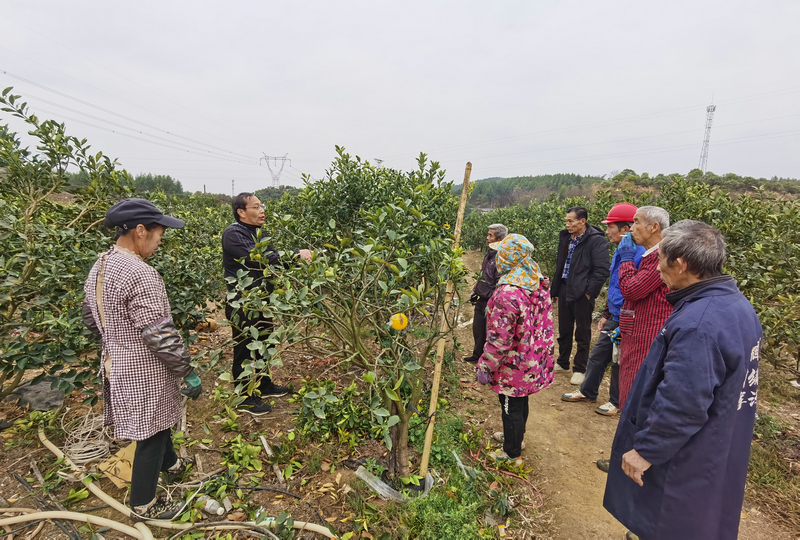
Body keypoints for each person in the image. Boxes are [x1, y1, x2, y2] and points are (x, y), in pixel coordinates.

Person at [604, 220, 762, 540]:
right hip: (718, 440)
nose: (657, 267)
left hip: (688, 454)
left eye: (661, 259)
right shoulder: (734, 305)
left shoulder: (698, 324)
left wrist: (646, 450)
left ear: (681, 264)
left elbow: (684, 401)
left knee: (670, 517)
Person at [82, 198, 202, 521]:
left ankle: (172, 465)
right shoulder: (140, 273)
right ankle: (144, 504)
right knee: (151, 434)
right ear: (140, 231)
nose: (160, 241)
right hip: (144, 368)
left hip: (117, 363)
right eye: (159, 233)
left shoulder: (101, 266)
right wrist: (187, 371)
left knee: (158, 422)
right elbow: (158, 334)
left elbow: (91, 318)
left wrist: (118, 339)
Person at [222, 193, 312, 416]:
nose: (262, 210)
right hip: (243, 303)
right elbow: (258, 259)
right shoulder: (233, 234)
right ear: (241, 212)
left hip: (261, 302)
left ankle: (264, 384)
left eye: (261, 206)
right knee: (244, 351)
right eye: (255, 207)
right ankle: (244, 399)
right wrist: (296, 255)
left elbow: (274, 260)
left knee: (264, 345)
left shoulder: (259, 233)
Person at [476, 234, 555, 465]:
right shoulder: (535, 281)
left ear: (508, 258)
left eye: (500, 254)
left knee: (510, 406)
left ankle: (512, 454)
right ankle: (516, 439)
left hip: (514, 363)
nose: (497, 258)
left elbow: (500, 339)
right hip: (532, 357)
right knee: (521, 401)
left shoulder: (508, 293)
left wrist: (486, 365)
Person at [561, 203, 645, 415]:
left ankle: (617, 401)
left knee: (619, 359)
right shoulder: (621, 250)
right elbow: (616, 284)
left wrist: (590, 294)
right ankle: (588, 390)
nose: (607, 231)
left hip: (628, 316)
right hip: (615, 313)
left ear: (625, 229)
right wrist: (607, 313)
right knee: (599, 354)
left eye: (610, 227)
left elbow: (633, 288)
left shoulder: (638, 254)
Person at [616, 206, 672, 410]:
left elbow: (631, 290)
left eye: (636, 222)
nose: (631, 228)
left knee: (636, 390)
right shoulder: (650, 256)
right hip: (637, 333)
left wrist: (626, 259)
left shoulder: (661, 257)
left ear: (654, 227)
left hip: (647, 338)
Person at [550, 206, 610, 385]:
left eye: (571, 221)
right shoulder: (566, 238)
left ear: (582, 221)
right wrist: (555, 290)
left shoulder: (596, 240)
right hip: (565, 287)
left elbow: (601, 270)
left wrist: (589, 292)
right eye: (566, 221)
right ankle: (563, 362)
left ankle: (580, 368)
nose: (567, 224)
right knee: (564, 328)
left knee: (582, 331)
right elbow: (560, 265)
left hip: (583, 292)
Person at [463, 223, 506, 363]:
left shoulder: (502, 257)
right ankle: (477, 355)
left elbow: (499, 282)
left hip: (490, 299)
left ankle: (487, 360)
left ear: (499, 239)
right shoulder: (490, 253)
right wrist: (477, 290)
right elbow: (484, 275)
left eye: (490, 235)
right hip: (481, 297)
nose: (487, 238)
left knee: (490, 331)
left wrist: (492, 300)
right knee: (478, 329)